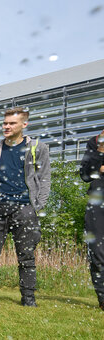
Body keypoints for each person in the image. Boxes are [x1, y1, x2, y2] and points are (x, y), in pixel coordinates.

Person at [0, 107, 51, 307]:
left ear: (24, 125)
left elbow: (45, 179)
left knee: (26, 257)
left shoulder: (38, 148)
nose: (6, 126)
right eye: (5, 123)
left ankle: (28, 298)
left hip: (24, 209)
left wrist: (36, 207)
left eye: (11, 123)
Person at [80, 128, 104, 311]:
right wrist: (100, 150)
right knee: (98, 252)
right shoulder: (95, 142)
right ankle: (103, 299)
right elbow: (86, 175)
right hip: (98, 202)